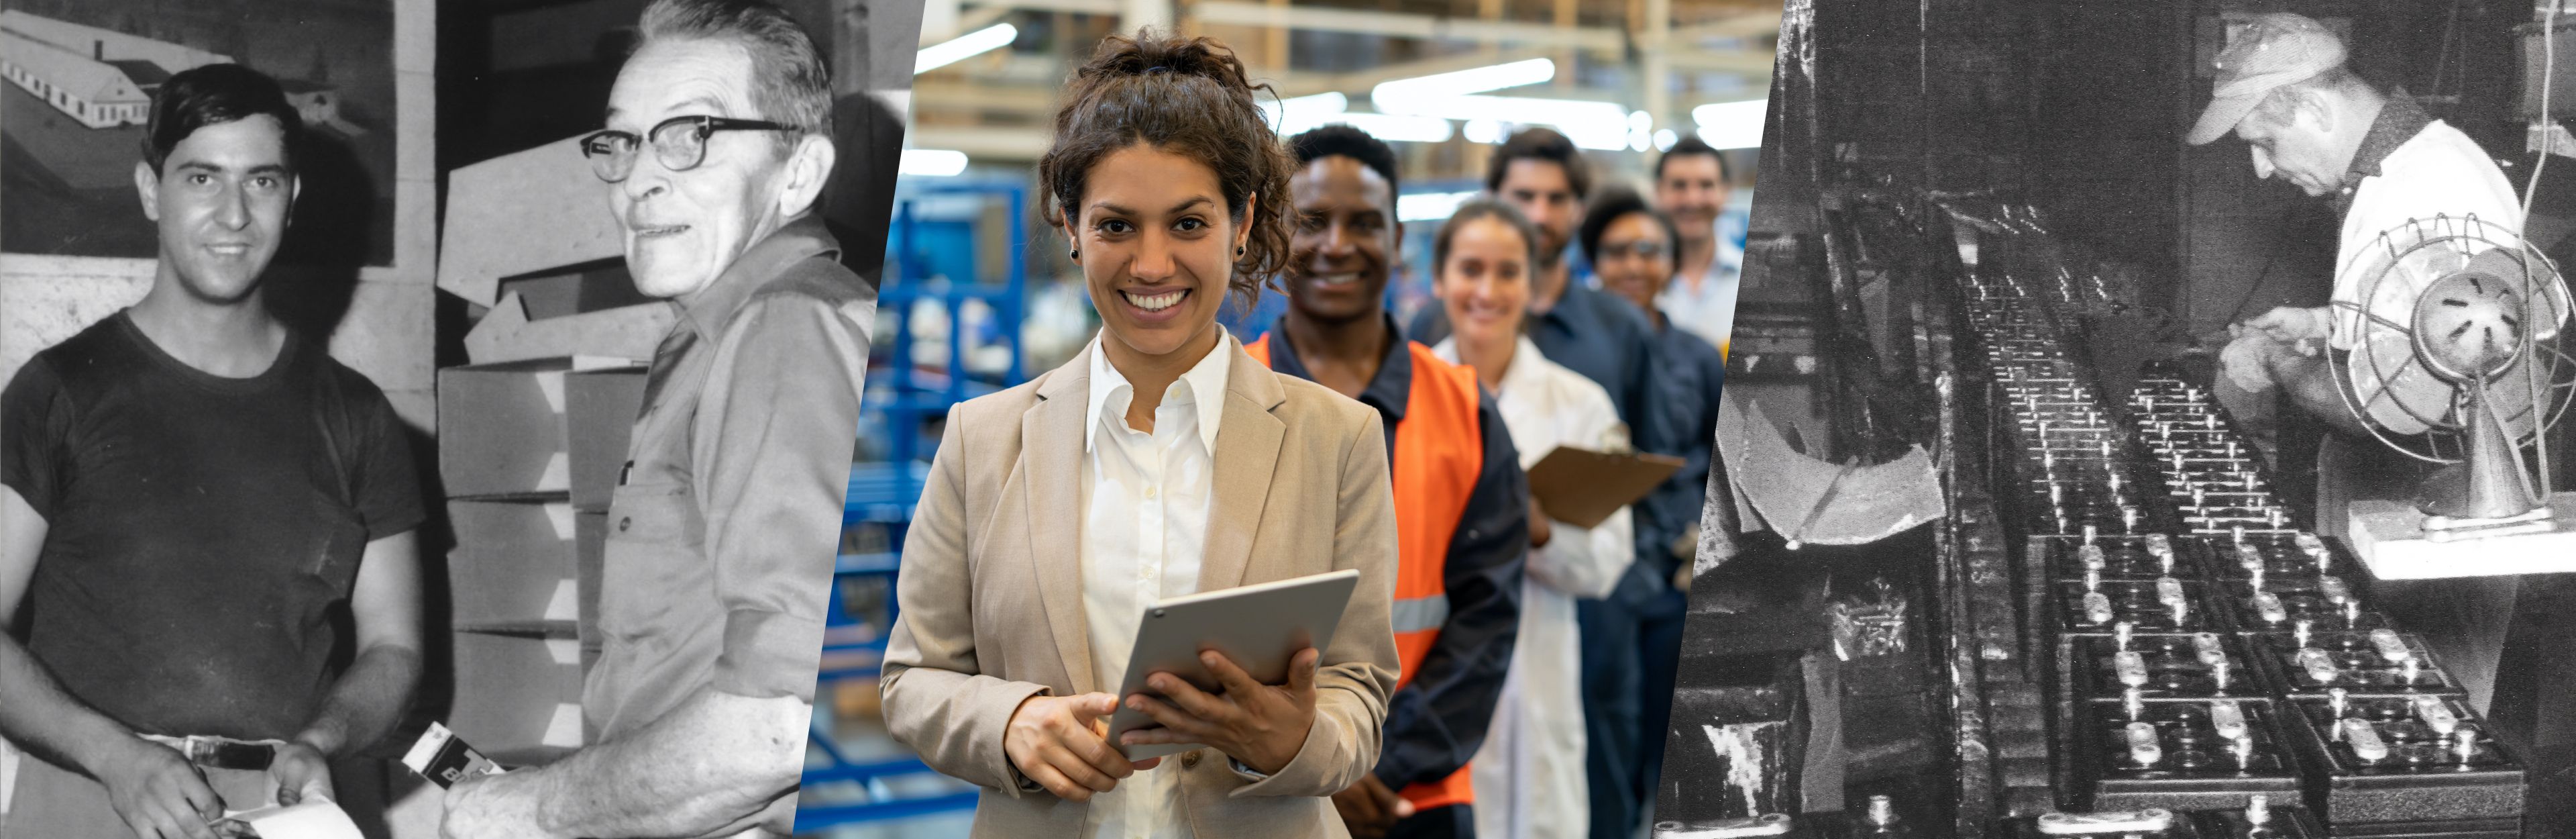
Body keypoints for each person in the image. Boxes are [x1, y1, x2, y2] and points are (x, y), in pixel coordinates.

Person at [877, 32, 1401, 838]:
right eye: (1117, 225)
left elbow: (1359, 692)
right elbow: (913, 678)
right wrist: (1012, 721)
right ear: (1072, 227)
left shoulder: (1338, 438)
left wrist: (1293, 739)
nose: (1152, 264)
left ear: (1242, 222)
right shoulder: (983, 438)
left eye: (1188, 223)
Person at [437, 1, 872, 835]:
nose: (640, 177)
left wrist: (535, 810)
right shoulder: (715, 338)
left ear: (800, 171)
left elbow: (787, 718)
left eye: (690, 134)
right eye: (622, 141)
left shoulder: (784, 328)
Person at [0, 64, 426, 839]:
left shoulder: (357, 413)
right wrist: (116, 757)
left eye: (261, 181)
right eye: (202, 177)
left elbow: (394, 644)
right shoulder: (59, 388)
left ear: (291, 199)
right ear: (151, 189)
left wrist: (323, 738)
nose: (234, 214)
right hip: (90, 797)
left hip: (284, 807)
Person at [2193, 12, 2536, 716]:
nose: (2261, 167)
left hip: (2437, 507)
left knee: (2422, 730)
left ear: (2315, 108)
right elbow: (2427, 324)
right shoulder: (2408, 169)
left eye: (2264, 142)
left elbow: (2380, 403)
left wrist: (2274, 361)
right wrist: (2323, 325)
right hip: (2415, 494)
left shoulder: (2424, 191)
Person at [1252, 125, 1529, 839]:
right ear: (1273, 233)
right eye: (1311, 221)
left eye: (1364, 223)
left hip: (1412, 795)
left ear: (1399, 238)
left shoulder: (1465, 410)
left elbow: (1485, 617)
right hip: (1253, 789)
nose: (1337, 244)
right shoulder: (1225, 397)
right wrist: (1310, 760)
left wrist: (1371, 759)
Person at [1428, 199, 1636, 839]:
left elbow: (1606, 565)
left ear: (1533, 283)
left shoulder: (1578, 404)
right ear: (1439, 280)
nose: (1487, 291)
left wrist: (1538, 528)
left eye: (1508, 272)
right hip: (1432, 678)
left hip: (1540, 671)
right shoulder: (1404, 397)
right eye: (1470, 269)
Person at [1578, 187, 1729, 836]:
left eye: (1650, 250)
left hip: (1673, 582)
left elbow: (1722, 461)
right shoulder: (1573, 353)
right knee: (1600, 746)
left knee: (1665, 749)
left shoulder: (1696, 355)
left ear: (1671, 262)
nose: (1635, 265)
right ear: (1593, 261)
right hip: (1595, 579)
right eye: (1617, 251)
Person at [1407, 128, 1659, 432]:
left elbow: (1650, 456)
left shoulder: (1622, 326)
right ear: (1492, 200)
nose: (1539, 215)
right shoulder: (1434, 324)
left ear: (1579, 209)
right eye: (1524, 196)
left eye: (1556, 199)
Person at [1651, 136, 1743, 354]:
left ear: (1726, 192)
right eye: (1679, 186)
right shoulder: (1638, 280)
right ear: (1659, 193)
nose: (1692, 200)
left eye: (1706, 185)